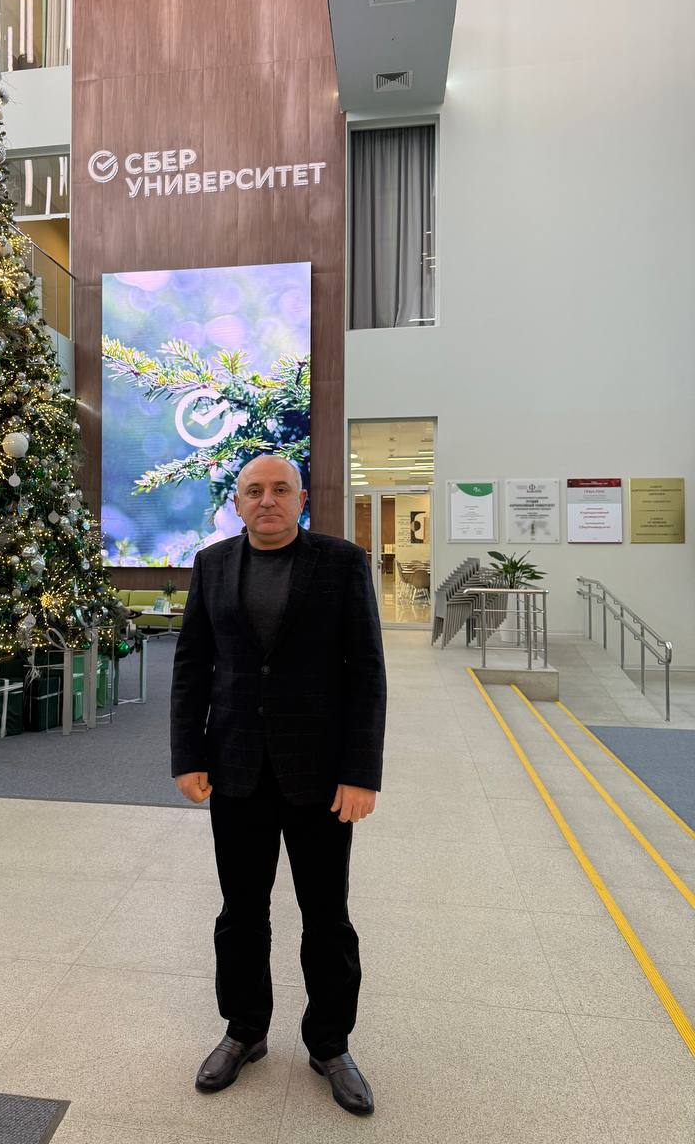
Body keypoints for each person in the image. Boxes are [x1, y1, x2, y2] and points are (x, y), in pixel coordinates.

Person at [170, 455, 387, 1116]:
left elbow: (366, 671)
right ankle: (244, 1031)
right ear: (237, 503)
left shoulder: (342, 563)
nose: (267, 500)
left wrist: (361, 773)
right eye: (254, 491)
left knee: (327, 917)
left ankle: (330, 1045)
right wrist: (187, 755)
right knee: (241, 913)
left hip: (321, 776)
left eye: (280, 489)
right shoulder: (212, 565)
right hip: (236, 769)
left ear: (301, 498)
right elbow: (192, 667)